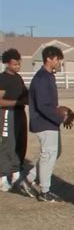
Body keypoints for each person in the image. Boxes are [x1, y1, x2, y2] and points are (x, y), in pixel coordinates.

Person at [28, 46, 74, 202]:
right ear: (49, 58)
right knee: (49, 155)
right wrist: (59, 117)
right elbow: (42, 105)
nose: (59, 62)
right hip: (44, 123)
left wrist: (63, 113)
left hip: (49, 122)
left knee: (54, 152)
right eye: (58, 59)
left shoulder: (48, 76)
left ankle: (29, 178)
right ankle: (44, 191)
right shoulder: (41, 78)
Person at [0, 48, 36, 196]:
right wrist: (17, 102)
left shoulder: (18, 78)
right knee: (8, 145)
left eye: (19, 64)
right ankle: (3, 178)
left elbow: (26, 94)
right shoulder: (3, 78)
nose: (17, 66)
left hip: (20, 114)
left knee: (20, 144)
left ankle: (15, 172)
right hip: (8, 113)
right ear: (7, 63)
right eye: (15, 64)